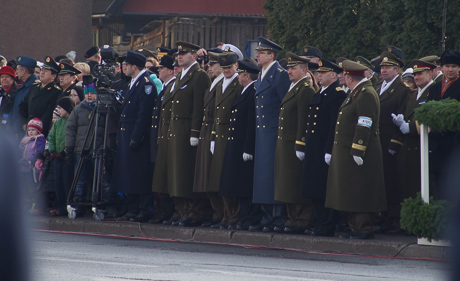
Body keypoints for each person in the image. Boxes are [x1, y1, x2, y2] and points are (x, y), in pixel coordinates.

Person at [325, 60, 386, 239]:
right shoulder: (357, 92)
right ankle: (355, 227)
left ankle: (363, 227)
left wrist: (358, 148)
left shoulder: (366, 93)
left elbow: (364, 123)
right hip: (347, 151)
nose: (343, 78)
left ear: (350, 78)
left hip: (359, 150)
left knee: (360, 190)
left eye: (345, 76)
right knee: (350, 190)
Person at [165, 41, 211, 227]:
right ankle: (181, 209)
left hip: (187, 129)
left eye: (184, 53)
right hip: (177, 128)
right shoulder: (180, 76)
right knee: (178, 172)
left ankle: (194, 211)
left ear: (194, 55)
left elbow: (200, 106)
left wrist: (195, 132)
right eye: (178, 53)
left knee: (188, 171)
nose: (180, 56)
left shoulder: (199, 76)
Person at [300, 59, 347, 236]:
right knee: (314, 187)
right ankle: (319, 221)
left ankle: (328, 224)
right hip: (314, 147)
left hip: (324, 148)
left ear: (333, 75)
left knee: (324, 187)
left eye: (323, 72)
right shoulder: (321, 92)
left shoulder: (337, 94)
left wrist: (329, 150)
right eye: (318, 72)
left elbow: (333, 125)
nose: (318, 75)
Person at [272, 53, 316, 234]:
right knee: (287, 184)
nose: (289, 71)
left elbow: (304, 119)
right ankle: (292, 219)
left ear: (304, 70)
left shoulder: (305, 89)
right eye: (288, 68)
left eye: (293, 68)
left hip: (294, 143)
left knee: (295, 182)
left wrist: (301, 143)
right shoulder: (294, 87)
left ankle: (302, 220)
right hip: (286, 142)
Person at [250, 36, 291, 232]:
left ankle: (277, 217)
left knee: (273, 175)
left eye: (261, 52)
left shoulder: (279, 74)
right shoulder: (263, 74)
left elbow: (285, 105)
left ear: (272, 55)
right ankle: (266, 215)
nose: (257, 55)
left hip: (273, 133)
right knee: (263, 176)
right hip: (263, 132)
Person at [112, 51, 157, 222]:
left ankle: (144, 209)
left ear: (134, 66)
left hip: (136, 136)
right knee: (127, 173)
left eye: (126, 65)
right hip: (126, 133)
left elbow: (144, 115)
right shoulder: (132, 83)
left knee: (139, 175)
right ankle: (132, 208)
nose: (123, 68)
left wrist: (137, 137)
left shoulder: (146, 85)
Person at [374, 50, 412, 233]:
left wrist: (395, 144)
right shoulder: (377, 86)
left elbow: (402, 116)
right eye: (382, 67)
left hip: (390, 142)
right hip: (376, 142)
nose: (384, 70)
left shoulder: (402, 90)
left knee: (392, 182)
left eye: (388, 67)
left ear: (397, 70)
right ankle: (383, 216)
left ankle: (394, 219)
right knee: (380, 181)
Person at [392, 59, 436, 216]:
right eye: (415, 74)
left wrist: (409, 127)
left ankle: (421, 221)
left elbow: (432, 118)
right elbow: (404, 114)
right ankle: (411, 221)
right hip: (407, 147)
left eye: (420, 74)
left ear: (430, 73)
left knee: (422, 187)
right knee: (408, 186)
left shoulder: (434, 91)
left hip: (423, 146)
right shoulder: (411, 95)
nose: (416, 77)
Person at [206, 51, 243, 229]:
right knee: (218, 178)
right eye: (224, 67)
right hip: (219, 134)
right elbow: (215, 113)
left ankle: (233, 215)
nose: (226, 70)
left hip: (231, 134)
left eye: (229, 67)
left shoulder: (238, 83)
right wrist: (213, 136)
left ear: (236, 66)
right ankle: (224, 214)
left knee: (229, 177)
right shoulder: (220, 83)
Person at [192, 50, 224, 227]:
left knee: (213, 174)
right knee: (206, 174)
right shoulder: (214, 83)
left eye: (212, 65)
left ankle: (220, 213)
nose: (209, 68)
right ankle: (215, 213)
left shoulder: (222, 84)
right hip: (207, 129)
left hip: (214, 129)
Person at [427, 50, 460, 199]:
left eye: (454, 66)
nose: (450, 69)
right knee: (438, 185)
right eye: (447, 66)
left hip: (454, 142)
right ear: (441, 68)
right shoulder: (434, 88)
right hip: (436, 144)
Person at [151, 55, 177, 224]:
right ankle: (163, 210)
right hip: (160, 136)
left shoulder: (173, 87)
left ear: (170, 70)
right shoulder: (165, 87)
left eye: (161, 68)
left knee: (167, 177)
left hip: (168, 137)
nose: (158, 70)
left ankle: (169, 211)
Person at [19, 56, 62, 137]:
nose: (42, 72)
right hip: (28, 130)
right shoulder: (34, 87)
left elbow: (48, 114)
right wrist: (23, 123)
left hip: (41, 132)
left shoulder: (56, 91)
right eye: (42, 70)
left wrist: (37, 128)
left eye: (46, 71)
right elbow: (23, 105)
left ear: (53, 76)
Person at [48, 97, 75, 216]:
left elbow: (72, 138)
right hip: (57, 157)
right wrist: (52, 150)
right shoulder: (58, 122)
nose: (58, 110)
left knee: (67, 182)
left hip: (66, 157)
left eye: (60, 108)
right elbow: (51, 137)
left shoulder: (72, 121)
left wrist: (66, 150)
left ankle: (69, 205)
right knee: (58, 183)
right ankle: (61, 206)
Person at [19, 118, 45, 202]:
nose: (30, 132)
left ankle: (35, 202)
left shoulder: (39, 140)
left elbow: (39, 152)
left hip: (33, 168)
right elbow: (21, 151)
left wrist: (32, 160)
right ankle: (27, 202)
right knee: (25, 185)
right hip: (24, 167)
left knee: (33, 185)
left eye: (33, 130)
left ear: (38, 130)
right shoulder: (25, 140)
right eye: (29, 130)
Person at [11, 56, 38, 139]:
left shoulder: (34, 86)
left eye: (18, 69)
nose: (16, 72)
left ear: (24, 71)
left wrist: (17, 125)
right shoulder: (24, 85)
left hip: (23, 131)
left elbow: (28, 109)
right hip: (16, 129)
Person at [0, 66, 18, 132]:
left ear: (12, 79)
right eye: (2, 77)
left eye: (7, 77)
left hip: (8, 128)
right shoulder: (1, 92)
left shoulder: (16, 93)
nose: (4, 79)